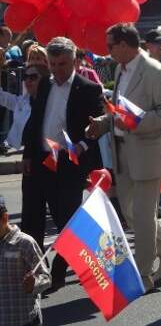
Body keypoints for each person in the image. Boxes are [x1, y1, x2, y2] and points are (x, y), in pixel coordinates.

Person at [86, 24, 161, 292]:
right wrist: (104, 123)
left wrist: (135, 123)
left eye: (110, 46)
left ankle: (144, 275)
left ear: (125, 45)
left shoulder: (154, 71)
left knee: (141, 215)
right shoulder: (120, 69)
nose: (107, 52)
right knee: (130, 214)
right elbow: (120, 111)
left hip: (148, 153)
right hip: (122, 152)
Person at [21, 37, 103, 291]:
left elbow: (97, 128)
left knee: (67, 221)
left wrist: (82, 144)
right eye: (53, 63)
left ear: (75, 61)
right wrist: (27, 153)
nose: (58, 69)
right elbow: (35, 120)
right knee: (32, 220)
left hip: (69, 162)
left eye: (63, 64)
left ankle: (59, 268)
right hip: (40, 160)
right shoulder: (44, 84)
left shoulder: (88, 88)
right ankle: (36, 272)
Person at [0, 195, 51, 326]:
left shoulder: (24, 243)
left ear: (4, 218)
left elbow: (46, 277)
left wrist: (35, 283)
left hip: (24, 319)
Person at [0, 64, 48, 150]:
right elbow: (2, 98)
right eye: (25, 77)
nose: (28, 80)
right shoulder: (23, 102)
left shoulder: (52, 102)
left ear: (44, 79)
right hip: (32, 154)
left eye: (33, 77)